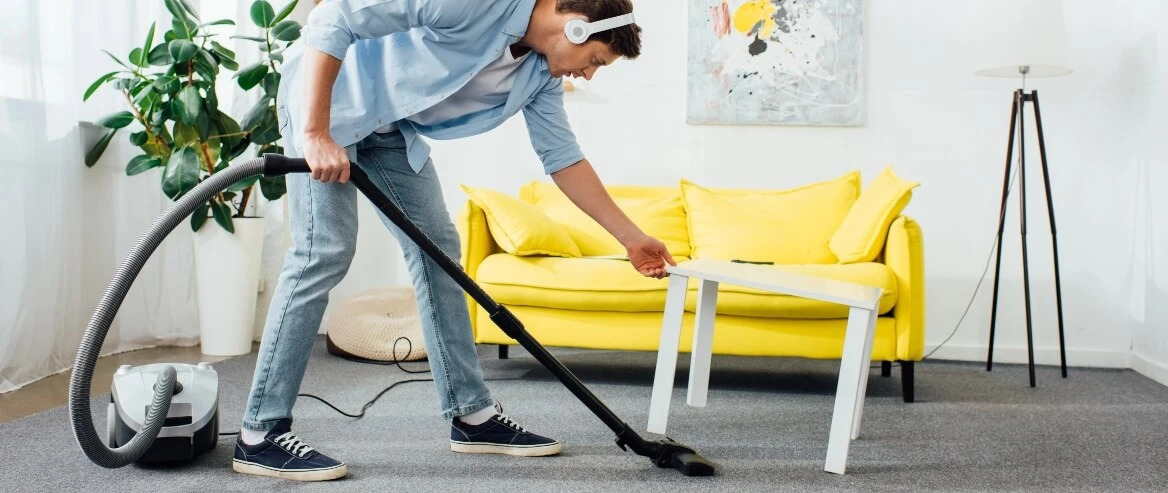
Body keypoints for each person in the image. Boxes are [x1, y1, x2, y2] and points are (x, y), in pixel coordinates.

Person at [231, 0, 676, 481]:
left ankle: (472, 417)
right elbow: (333, 16)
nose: (589, 75)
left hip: (388, 126)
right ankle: (260, 434)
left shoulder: (538, 77)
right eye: (595, 61)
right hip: (327, 103)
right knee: (325, 251)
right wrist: (315, 132)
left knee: (438, 254)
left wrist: (631, 238)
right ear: (574, 27)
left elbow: (563, 158)